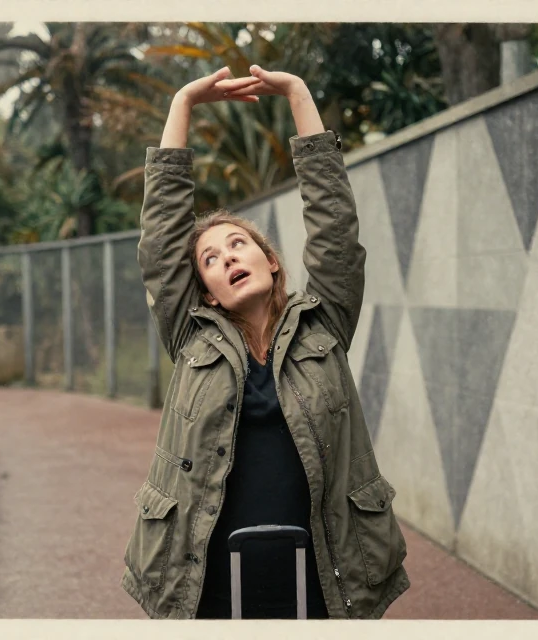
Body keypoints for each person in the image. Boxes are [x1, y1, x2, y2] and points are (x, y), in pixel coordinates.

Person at [121, 64, 410, 620]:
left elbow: (334, 229)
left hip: (322, 571)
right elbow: (160, 242)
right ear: (203, 291)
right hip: (207, 575)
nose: (227, 256)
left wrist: (299, 93)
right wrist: (182, 102)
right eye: (210, 258)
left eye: (237, 244)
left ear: (271, 262)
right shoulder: (190, 335)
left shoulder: (324, 323)